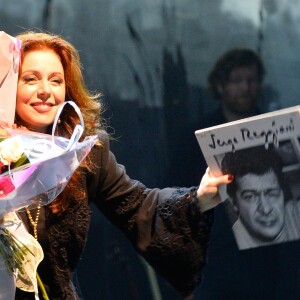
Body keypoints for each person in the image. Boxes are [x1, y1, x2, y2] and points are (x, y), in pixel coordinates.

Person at [6, 31, 232, 300]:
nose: (45, 91)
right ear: (8, 84)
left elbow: (137, 206)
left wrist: (199, 199)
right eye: (30, 79)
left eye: (56, 80)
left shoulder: (84, 154)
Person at [194, 49, 300, 300]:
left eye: (252, 80)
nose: (246, 87)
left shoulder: (276, 127)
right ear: (220, 86)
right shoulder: (197, 135)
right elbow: (178, 195)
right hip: (220, 259)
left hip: (272, 264)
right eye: (237, 80)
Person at [221, 146, 300, 250]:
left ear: (282, 193)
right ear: (234, 202)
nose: (266, 209)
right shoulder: (228, 245)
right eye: (250, 197)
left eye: (272, 194)